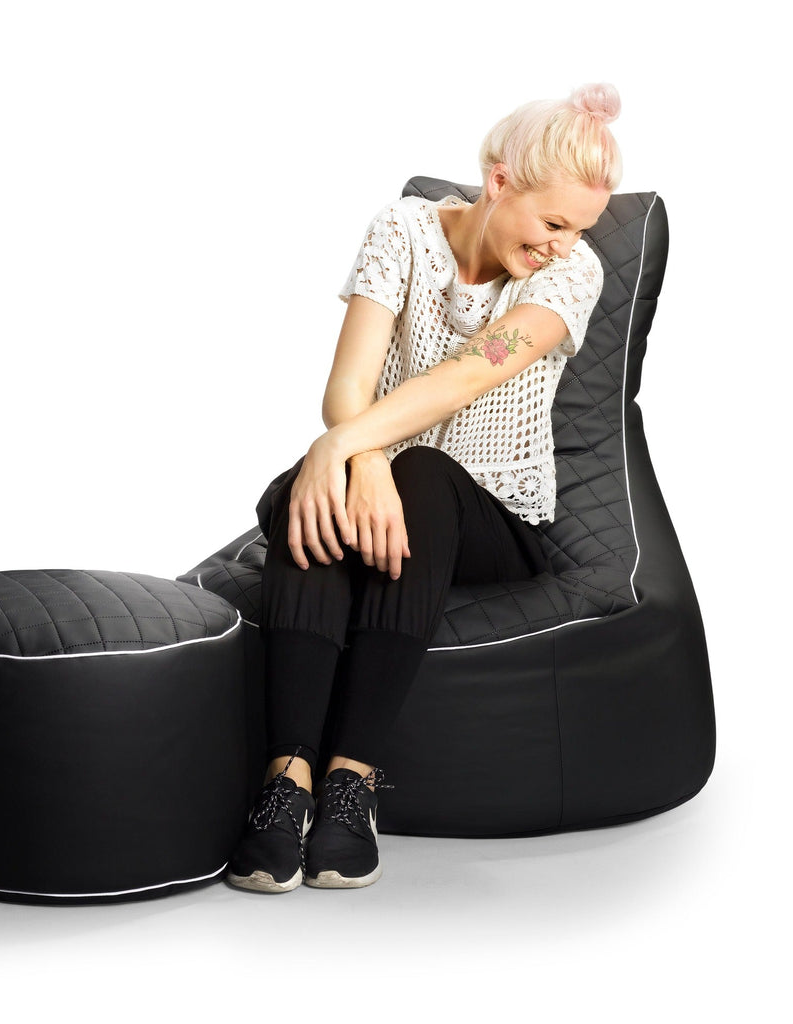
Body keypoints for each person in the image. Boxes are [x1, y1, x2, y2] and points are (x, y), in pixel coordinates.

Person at [227, 84, 623, 893]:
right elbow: (350, 383)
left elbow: (462, 379)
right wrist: (357, 457)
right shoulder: (402, 229)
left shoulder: (573, 276)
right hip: (383, 478)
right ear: (500, 180)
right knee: (331, 488)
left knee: (415, 472)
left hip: (490, 512)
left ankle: (351, 783)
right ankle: (288, 782)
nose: (562, 245)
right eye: (553, 223)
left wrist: (346, 446)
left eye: (577, 230)